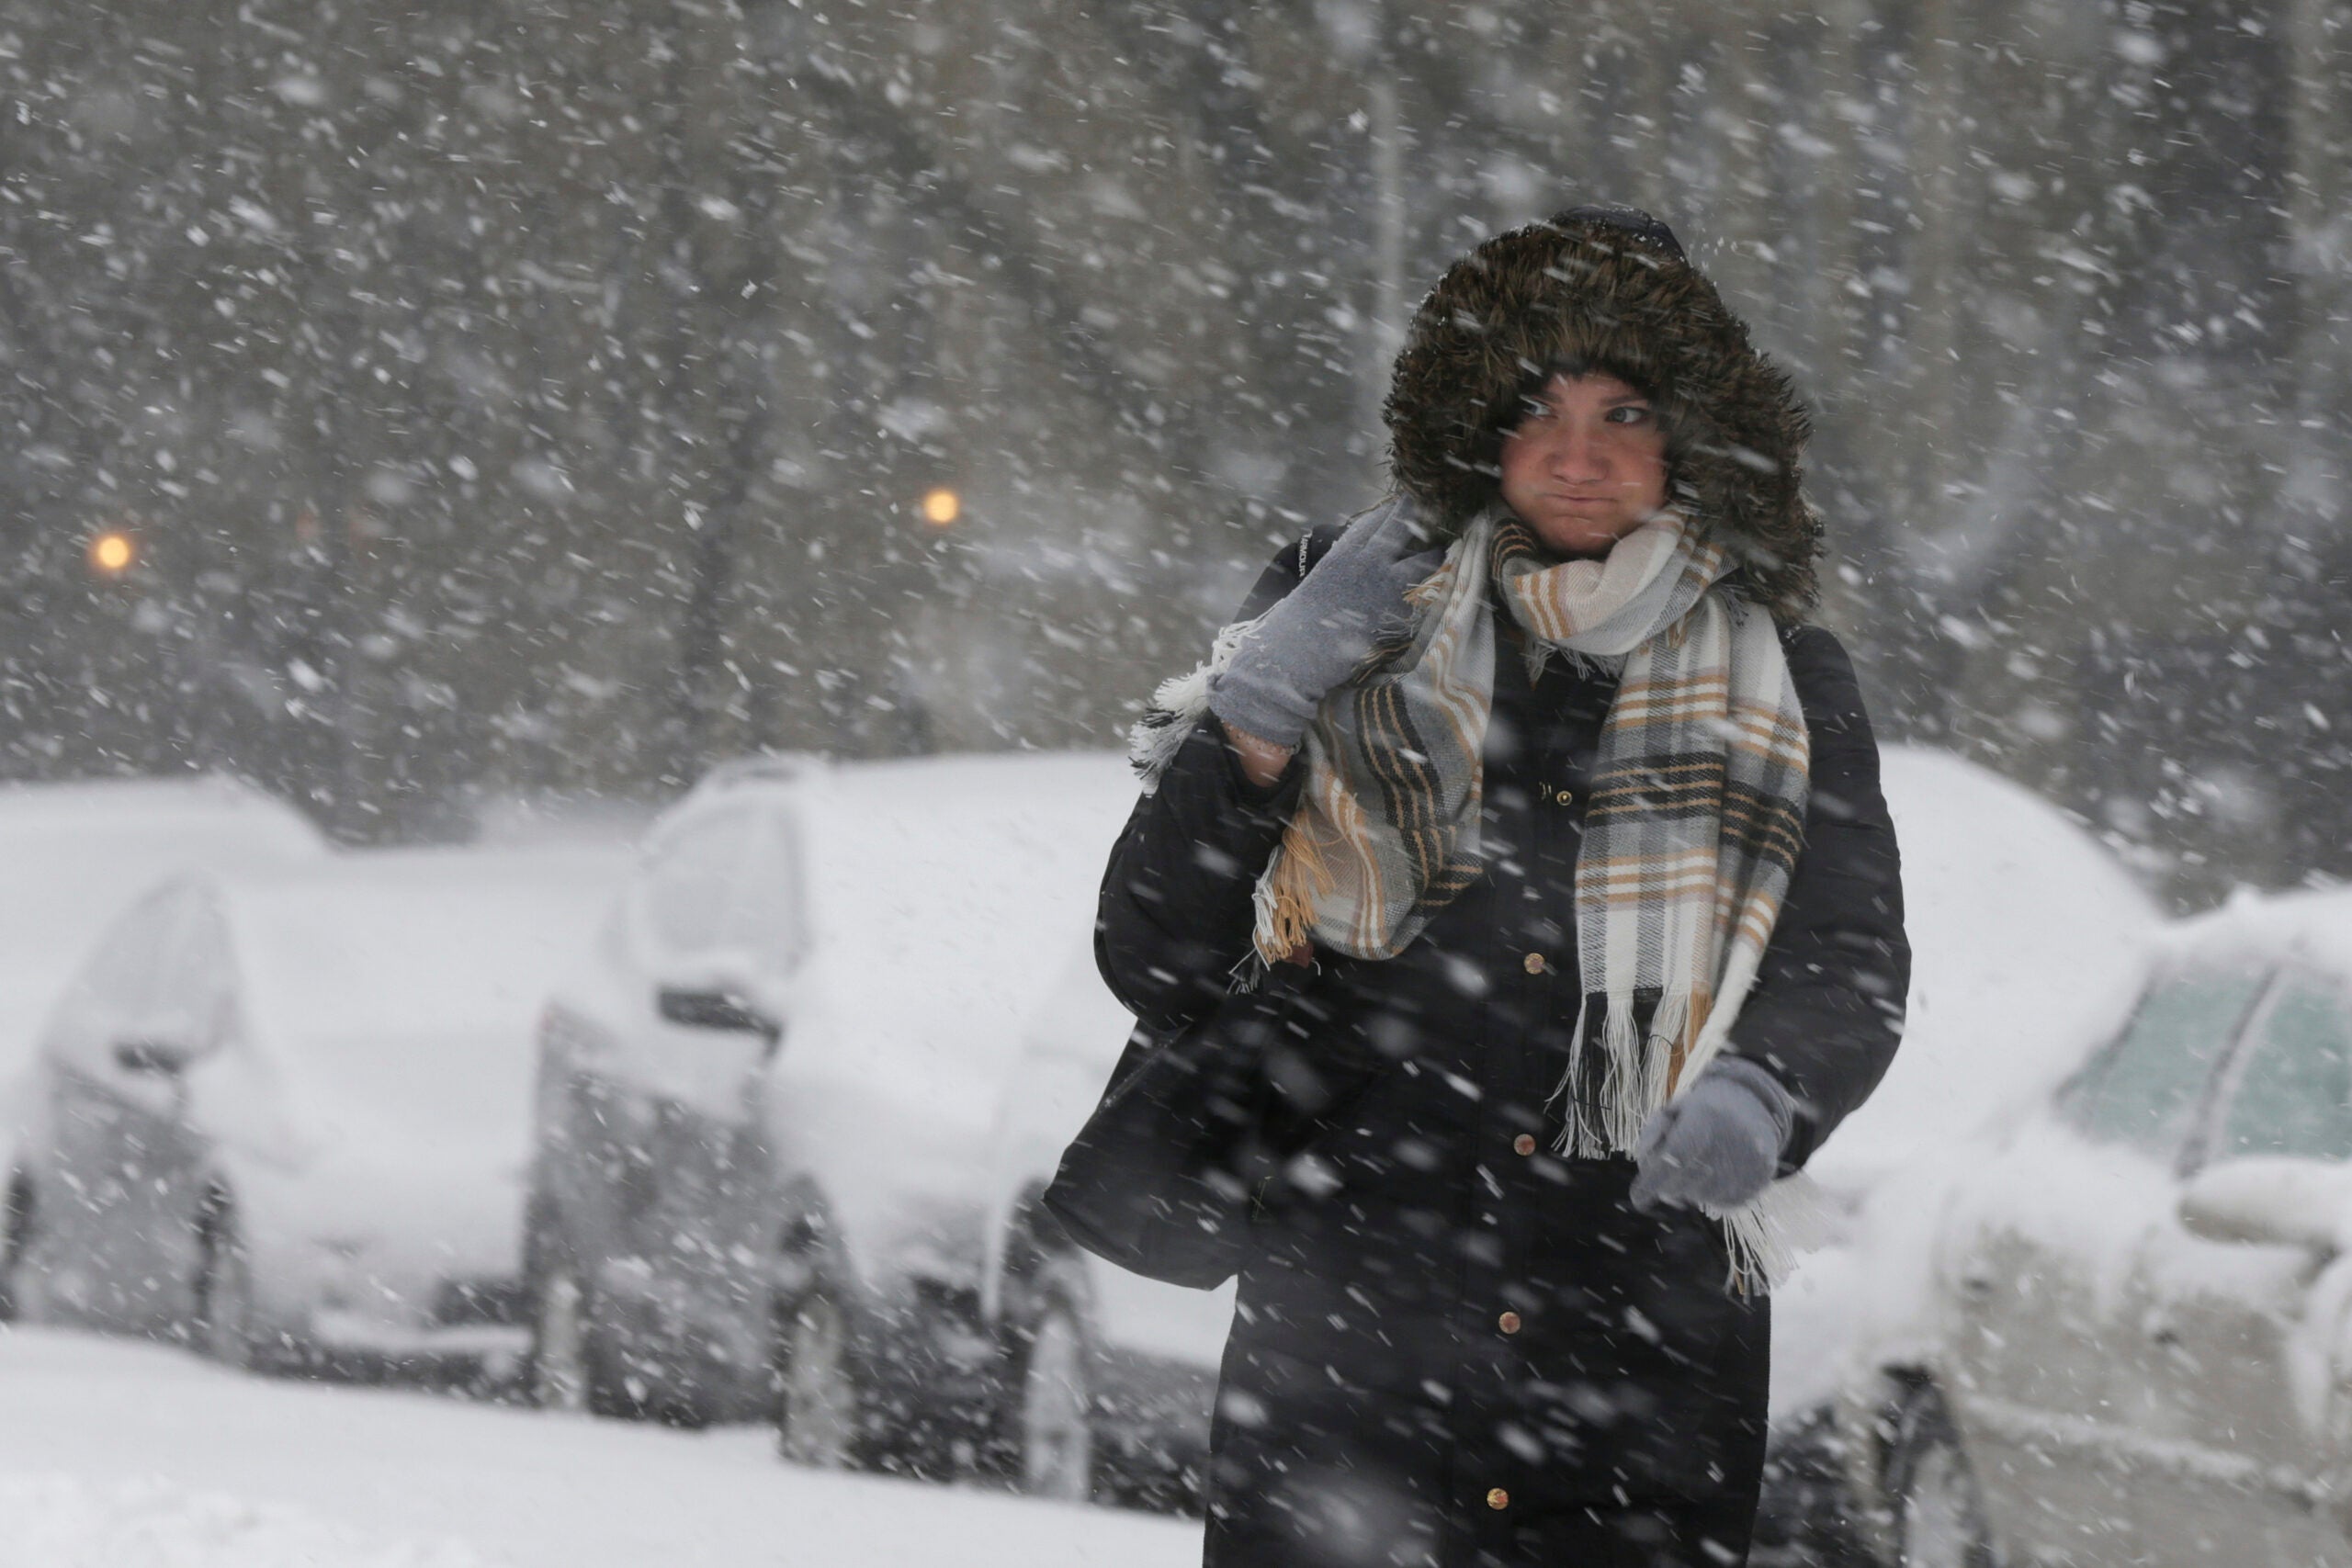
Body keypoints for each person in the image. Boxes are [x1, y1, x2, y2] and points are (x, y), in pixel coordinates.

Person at [1089, 206, 1910, 1567]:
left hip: (1639, 1360)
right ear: (1476, 424)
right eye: (1536, 406)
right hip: (1347, 1339)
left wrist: (1770, 1086)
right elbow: (1156, 950)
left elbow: (1849, 958)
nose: (1578, 453)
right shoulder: (1344, 610)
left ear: (1689, 435)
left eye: (1624, 409)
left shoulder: (1784, 676)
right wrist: (1263, 708)